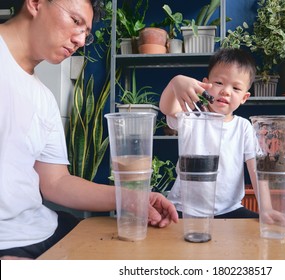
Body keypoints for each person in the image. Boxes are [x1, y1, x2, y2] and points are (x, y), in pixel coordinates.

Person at [0, 0, 178, 260]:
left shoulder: (44, 98)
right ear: (36, 3)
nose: (81, 40)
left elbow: (56, 182)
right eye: (75, 21)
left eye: (86, 32)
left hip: (43, 228)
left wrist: (132, 198)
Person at [160, 48, 285, 226]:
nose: (226, 91)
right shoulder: (192, 115)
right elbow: (167, 108)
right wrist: (176, 82)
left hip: (230, 209)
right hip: (183, 208)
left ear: (244, 97)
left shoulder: (243, 127)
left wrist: (266, 209)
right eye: (219, 83)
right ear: (205, 84)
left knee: (256, 229)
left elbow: (256, 170)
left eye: (235, 88)